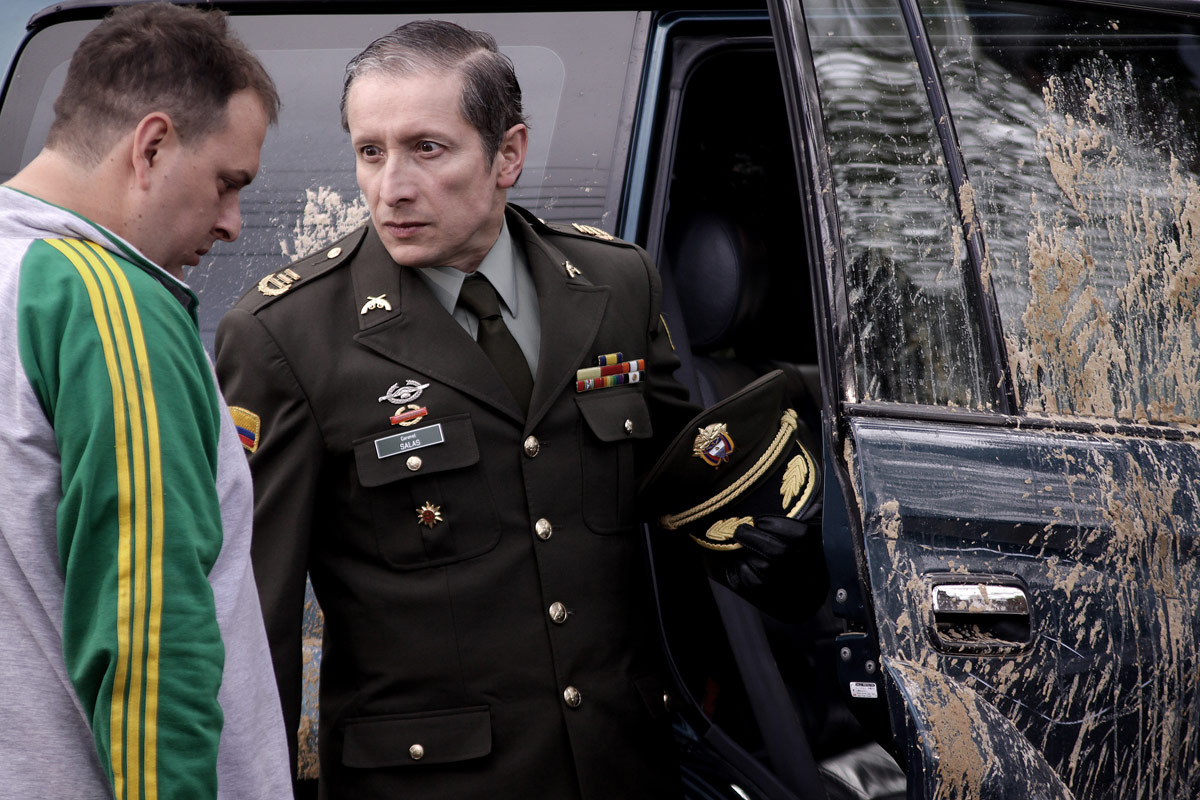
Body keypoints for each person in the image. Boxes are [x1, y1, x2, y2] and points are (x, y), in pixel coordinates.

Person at [215, 20, 822, 800]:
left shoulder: (614, 285)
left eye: (426, 149)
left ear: (508, 155)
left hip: (622, 769)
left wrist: (785, 565)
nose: (391, 187)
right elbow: (252, 626)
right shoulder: (287, 336)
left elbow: (686, 505)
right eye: (370, 152)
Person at [0, 4, 292, 798]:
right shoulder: (107, 303)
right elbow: (147, 634)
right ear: (152, 145)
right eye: (227, 183)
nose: (234, 225)